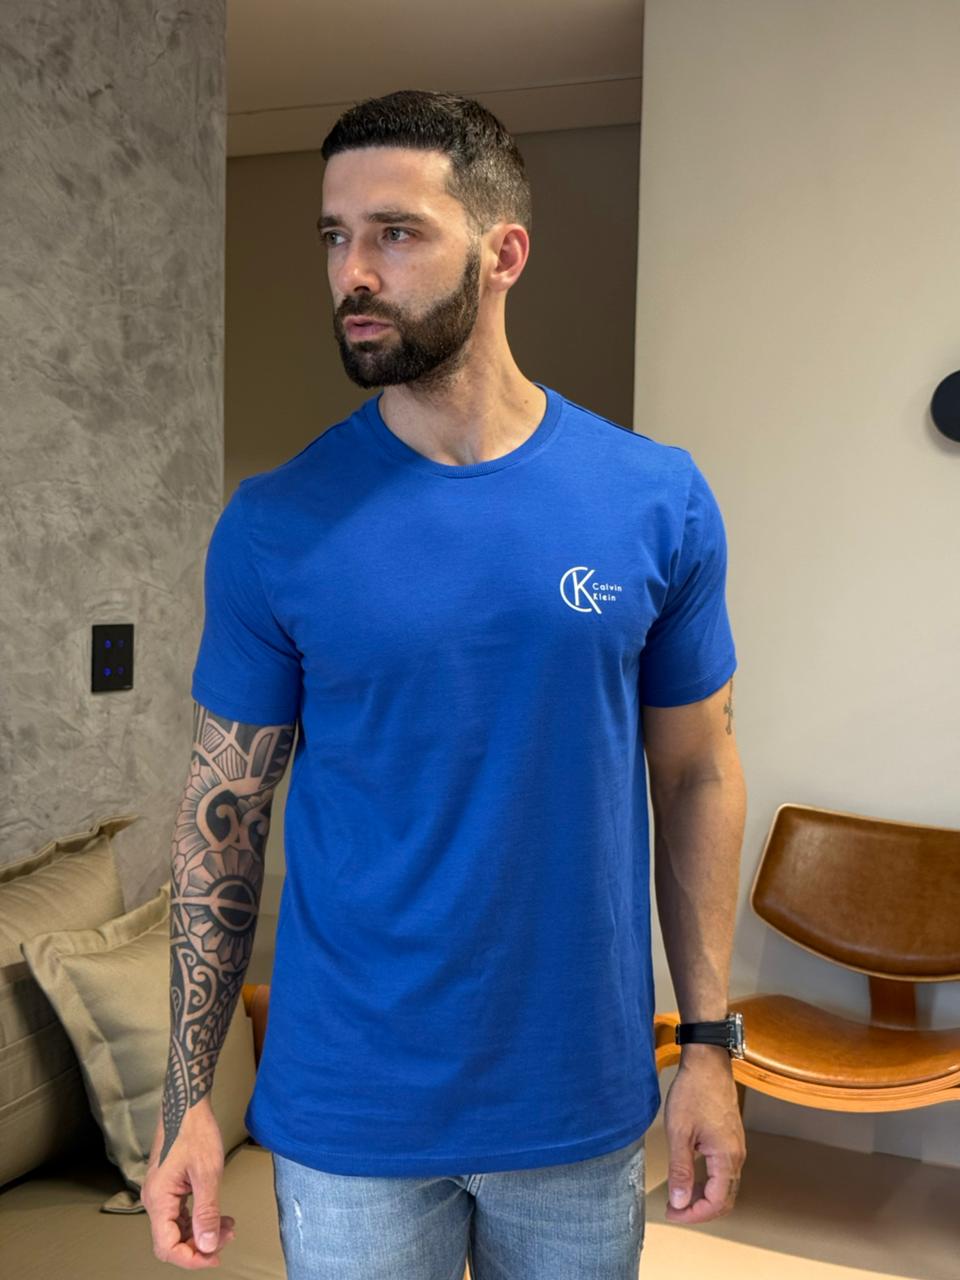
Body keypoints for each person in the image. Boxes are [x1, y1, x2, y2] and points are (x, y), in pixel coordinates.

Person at [141, 89, 747, 1278]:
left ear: (503, 252)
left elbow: (696, 774)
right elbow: (224, 816)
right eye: (334, 235)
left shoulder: (656, 499)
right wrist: (185, 1098)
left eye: (396, 232)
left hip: (575, 1094)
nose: (354, 272)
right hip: (350, 1105)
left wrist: (710, 1044)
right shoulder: (275, 524)